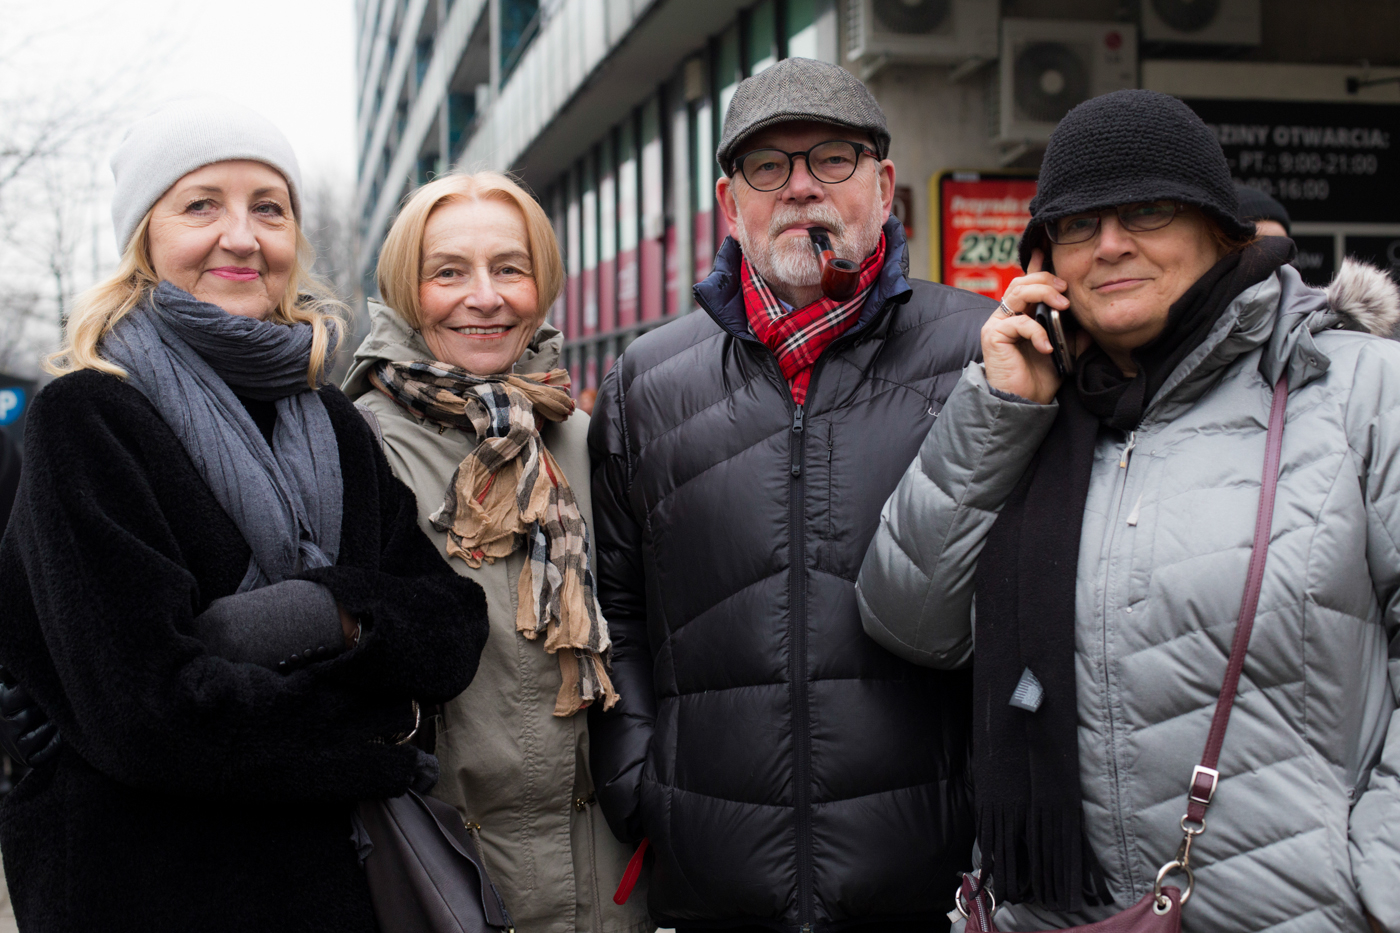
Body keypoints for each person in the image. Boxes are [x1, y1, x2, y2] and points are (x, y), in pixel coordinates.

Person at [857, 89, 1400, 932]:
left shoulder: (1359, 389)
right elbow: (910, 619)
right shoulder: (1024, 408)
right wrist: (998, 413)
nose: (1111, 245)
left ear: (1219, 230)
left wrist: (1379, 884)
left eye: (1148, 209)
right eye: (1078, 223)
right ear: (1045, 258)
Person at [0, 100, 488, 933]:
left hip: (339, 888)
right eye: (201, 205)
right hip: (151, 894)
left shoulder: (331, 420)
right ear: (144, 238)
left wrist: (321, 612)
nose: (242, 235)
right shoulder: (86, 421)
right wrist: (376, 726)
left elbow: (450, 626)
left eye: (270, 206)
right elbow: (150, 713)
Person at [587, 57, 989, 932]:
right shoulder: (645, 384)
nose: (802, 186)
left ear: (883, 187)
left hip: (936, 881)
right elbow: (615, 608)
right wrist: (642, 785)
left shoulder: (986, 352)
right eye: (769, 166)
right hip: (714, 882)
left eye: (832, 159)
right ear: (732, 205)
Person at [342, 171, 653, 933]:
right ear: (406, 288)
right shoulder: (355, 445)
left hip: (609, 894)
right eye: (448, 271)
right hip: (442, 886)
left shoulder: (583, 437)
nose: (485, 297)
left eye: (509, 268)